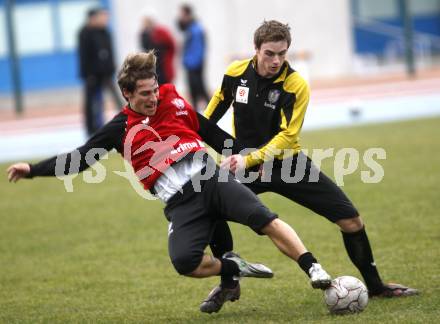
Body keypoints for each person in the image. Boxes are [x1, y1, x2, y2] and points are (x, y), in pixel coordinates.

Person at [7, 51, 332, 313]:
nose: (153, 98)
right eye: (145, 94)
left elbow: (211, 133)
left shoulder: (173, 102)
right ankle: (231, 270)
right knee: (184, 262)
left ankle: (313, 268)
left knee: (265, 219)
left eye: (155, 89)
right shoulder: (118, 129)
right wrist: (33, 169)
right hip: (179, 201)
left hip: (211, 178)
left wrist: (244, 159)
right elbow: (78, 159)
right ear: (127, 93)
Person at [203, 20, 418, 310]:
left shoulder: (295, 85)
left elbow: (288, 136)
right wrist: (192, 139)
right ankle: (230, 282)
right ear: (256, 50)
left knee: (351, 221)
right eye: (269, 53)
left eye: (282, 53)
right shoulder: (235, 73)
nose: (276, 60)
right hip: (245, 165)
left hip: (288, 165)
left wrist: (248, 158)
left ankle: (376, 286)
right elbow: (213, 111)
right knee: (209, 206)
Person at [78, 7, 123, 136]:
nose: (104, 20)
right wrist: (88, 74)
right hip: (92, 75)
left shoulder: (105, 32)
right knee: (93, 102)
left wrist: (112, 67)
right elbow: (84, 55)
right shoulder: (85, 33)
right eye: (102, 17)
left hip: (107, 73)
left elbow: (110, 52)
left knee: (117, 98)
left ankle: (128, 120)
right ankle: (93, 128)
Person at [176, 4, 210, 112]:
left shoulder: (196, 29)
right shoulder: (189, 29)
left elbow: (198, 48)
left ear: (187, 14)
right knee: (193, 90)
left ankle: (210, 109)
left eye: (182, 14)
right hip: (190, 63)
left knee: (199, 88)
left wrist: (192, 62)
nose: (180, 17)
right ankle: (195, 112)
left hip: (194, 64)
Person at [140, 8, 176, 84]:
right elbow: (144, 51)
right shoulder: (144, 34)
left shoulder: (161, 32)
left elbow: (172, 47)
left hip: (164, 68)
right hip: (152, 68)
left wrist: (169, 59)